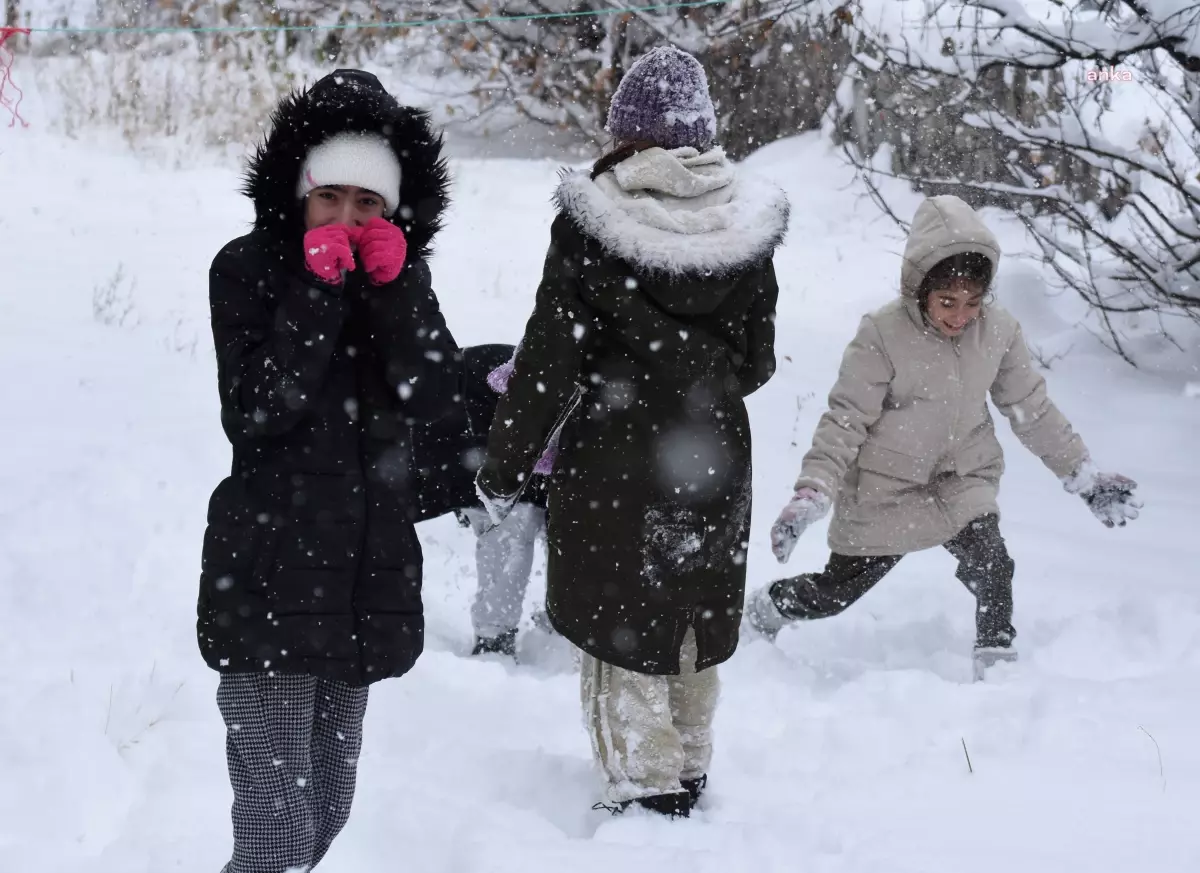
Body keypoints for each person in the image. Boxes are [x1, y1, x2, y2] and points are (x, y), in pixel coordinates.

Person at [475, 45, 789, 818]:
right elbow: (758, 362)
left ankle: (645, 786)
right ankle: (689, 763)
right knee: (690, 610)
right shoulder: (745, 225)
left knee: (623, 625)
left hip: (615, 452)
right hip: (714, 449)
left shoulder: (593, 220)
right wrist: (698, 384)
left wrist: (505, 466)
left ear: (623, 134)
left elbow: (547, 363)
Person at [197, 69, 467, 872]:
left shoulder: (399, 281)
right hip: (270, 582)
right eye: (331, 197)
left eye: (368, 203)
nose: (348, 218)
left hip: (359, 586)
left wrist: (395, 293)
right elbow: (254, 410)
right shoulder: (245, 271)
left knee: (323, 816)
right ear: (298, 191)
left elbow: (440, 406)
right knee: (274, 838)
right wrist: (316, 294)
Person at [744, 194, 1143, 680]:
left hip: (961, 480)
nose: (960, 316)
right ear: (920, 289)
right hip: (885, 490)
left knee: (994, 567)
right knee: (835, 592)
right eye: (947, 302)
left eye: (973, 302)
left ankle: (996, 668)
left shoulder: (998, 332)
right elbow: (846, 419)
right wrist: (814, 491)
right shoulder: (882, 334)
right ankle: (768, 607)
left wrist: (1084, 475)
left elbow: (1031, 410)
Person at [409, 342, 552, 658]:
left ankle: (557, 624)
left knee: (544, 525)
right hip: (475, 424)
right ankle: (495, 638)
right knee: (511, 525)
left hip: (505, 422)